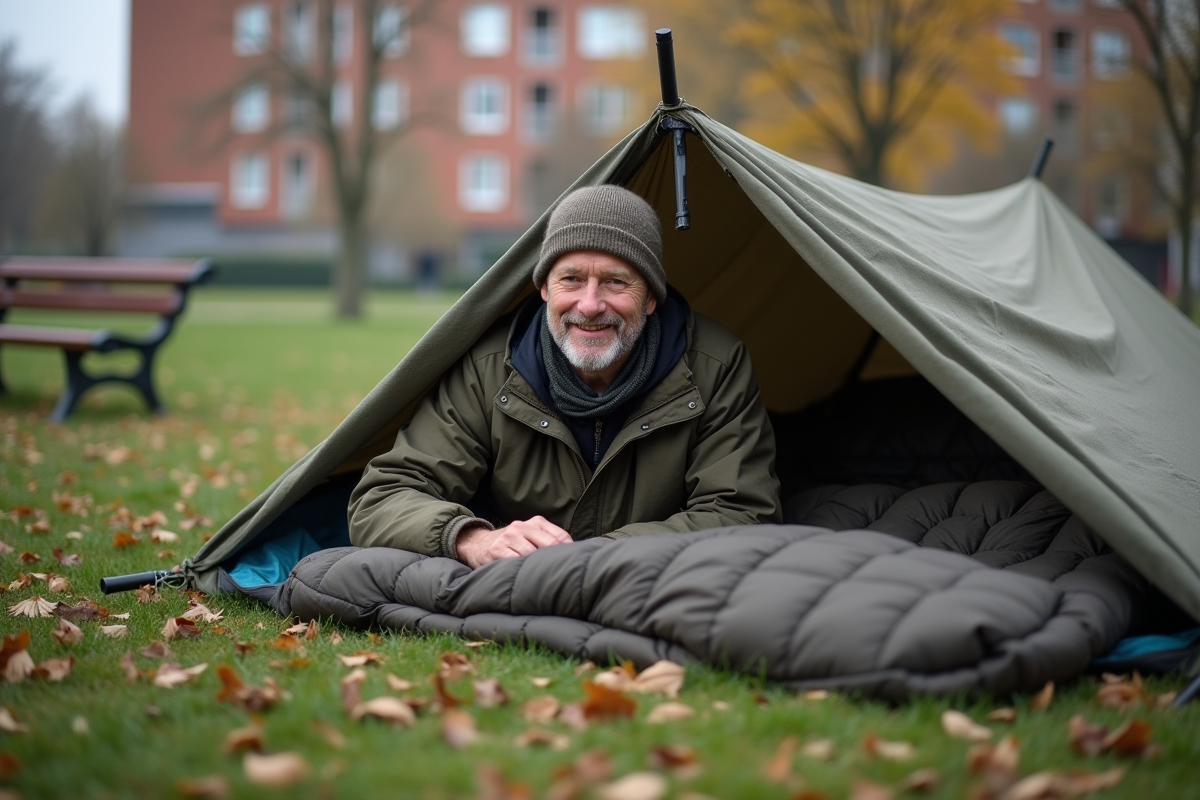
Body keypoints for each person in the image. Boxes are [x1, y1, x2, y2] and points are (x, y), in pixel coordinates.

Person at [349, 185, 780, 568]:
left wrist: (590, 557)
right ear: (544, 289)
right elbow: (382, 498)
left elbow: (743, 514)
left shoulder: (715, 366)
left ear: (650, 297)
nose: (590, 305)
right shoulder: (488, 367)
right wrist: (474, 539)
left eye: (615, 282)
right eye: (571, 279)